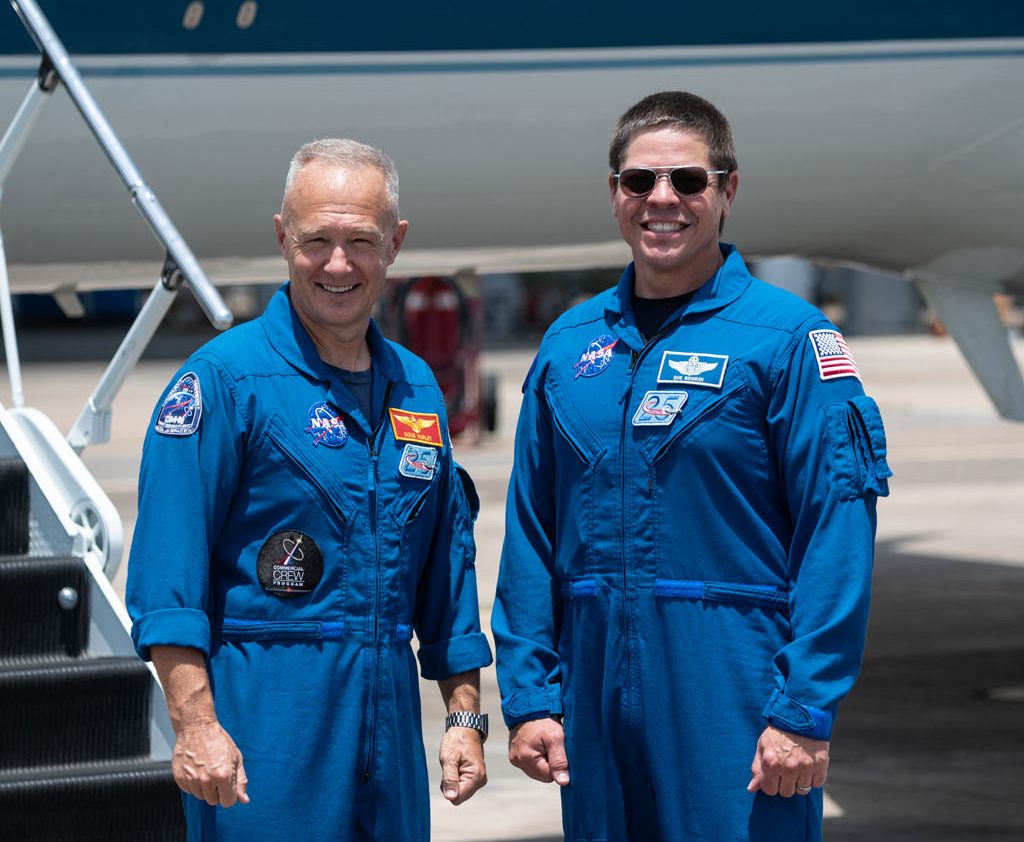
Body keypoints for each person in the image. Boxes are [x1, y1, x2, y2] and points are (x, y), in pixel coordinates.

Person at [492, 91, 892, 841]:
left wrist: (804, 709)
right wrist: (530, 697)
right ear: (615, 194)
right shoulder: (570, 347)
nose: (662, 200)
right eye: (640, 182)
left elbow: (835, 533)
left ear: (727, 191)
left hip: (733, 700)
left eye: (688, 180)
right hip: (593, 708)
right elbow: (530, 535)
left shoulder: (786, 340)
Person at [126, 138, 493, 841]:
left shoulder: (417, 387)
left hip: (387, 725)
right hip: (267, 724)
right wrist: (196, 725)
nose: (337, 264)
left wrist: (464, 718)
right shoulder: (226, 382)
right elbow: (167, 582)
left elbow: (447, 577)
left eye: (360, 240)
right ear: (280, 236)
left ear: (396, 243)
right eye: (315, 240)